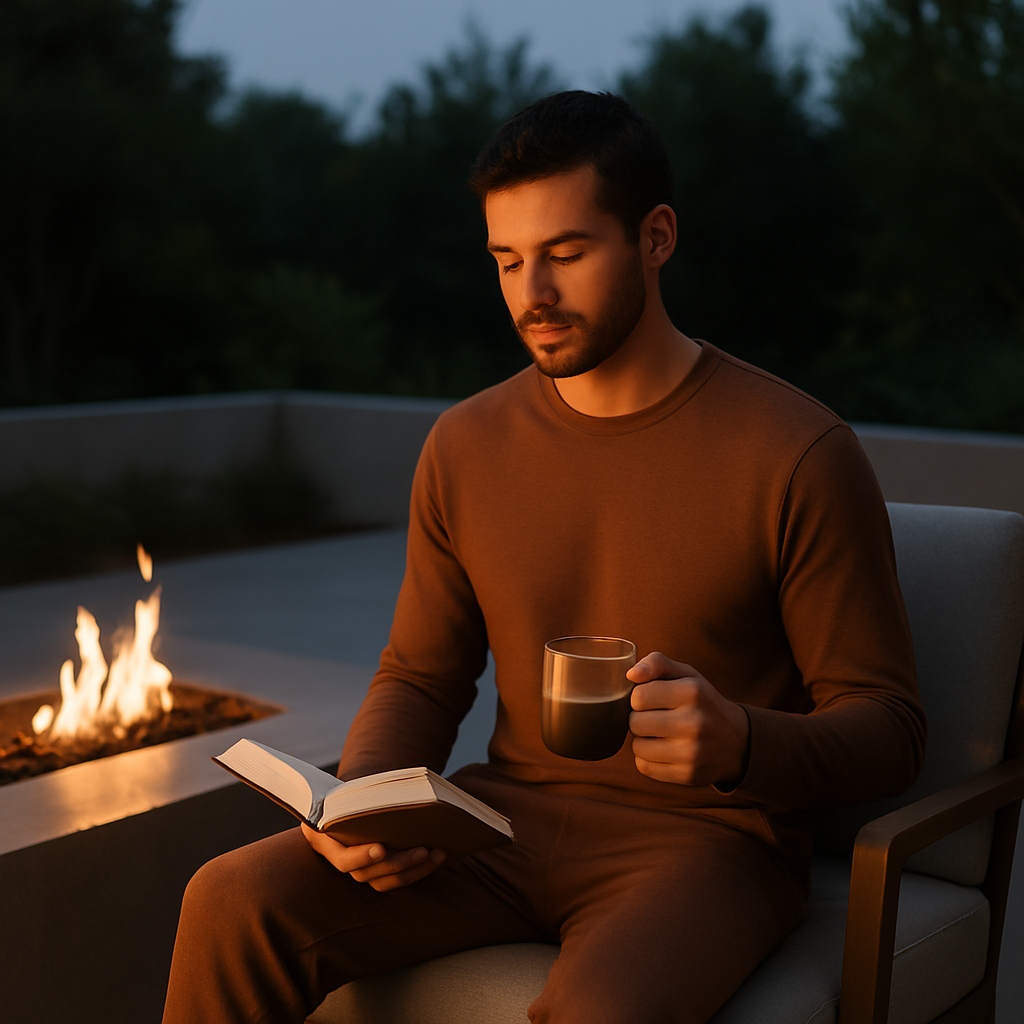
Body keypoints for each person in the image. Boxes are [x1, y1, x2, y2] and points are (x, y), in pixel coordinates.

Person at [161, 91, 926, 1024]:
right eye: (508, 260)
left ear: (656, 237)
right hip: (499, 825)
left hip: (706, 846)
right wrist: (361, 804)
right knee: (231, 900)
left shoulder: (797, 452)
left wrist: (742, 739)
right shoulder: (465, 445)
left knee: (600, 1010)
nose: (533, 295)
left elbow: (890, 728)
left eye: (565, 254)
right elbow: (422, 673)